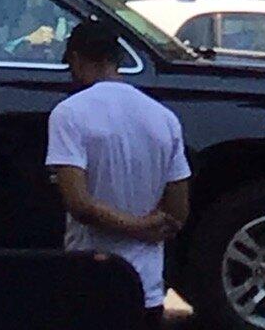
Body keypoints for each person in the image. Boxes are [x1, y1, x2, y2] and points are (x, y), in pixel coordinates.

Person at [46, 17, 191, 328]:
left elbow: (79, 204)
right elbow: (178, 210)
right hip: (146, 287)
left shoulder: (68, 114)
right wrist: (148, 227)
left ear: (76, 59)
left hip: (88, 276)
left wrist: (136, 226)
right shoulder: (164, 118)